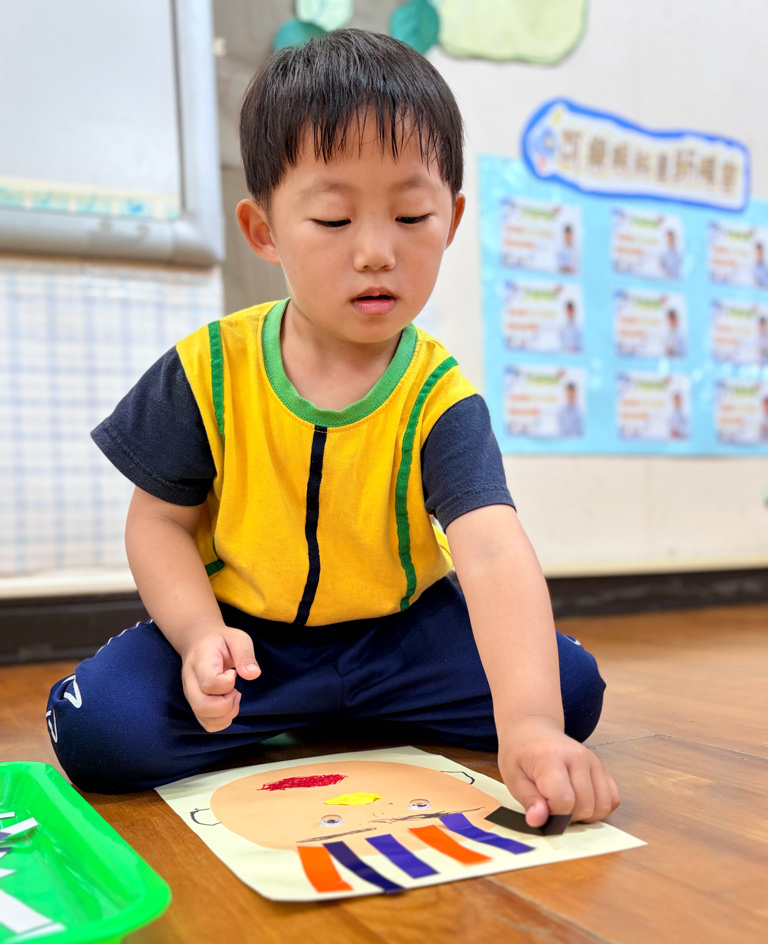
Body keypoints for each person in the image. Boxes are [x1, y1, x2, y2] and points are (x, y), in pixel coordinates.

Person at [47, 30, 618, 828]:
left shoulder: (439, 396)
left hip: (401, 642)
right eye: (333, 218)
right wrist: (201, 635)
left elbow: (490, 549)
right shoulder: (208, 370)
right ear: (264, 230)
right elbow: (159, 524)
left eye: (412, 214)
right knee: (102, 728)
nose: (377, 252)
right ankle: (299, 709)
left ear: (452, 219)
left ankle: (339, 708)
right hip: (252, 647)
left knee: (569, 692)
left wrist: (529, 724)